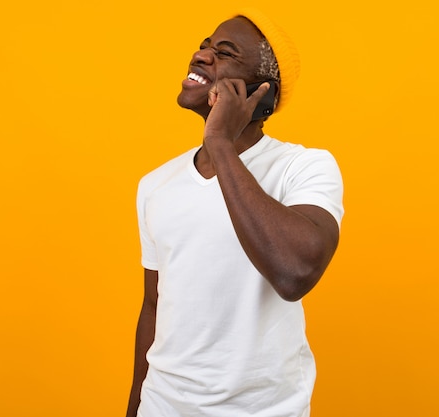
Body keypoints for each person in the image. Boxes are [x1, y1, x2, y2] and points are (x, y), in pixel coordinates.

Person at [126, 9, 344, 417]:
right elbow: (154, 306)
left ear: (261, 93)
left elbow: (294, 271)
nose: (201, 55)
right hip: (163, 406)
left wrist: (220, 143)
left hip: (263, 410)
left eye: (224, 53)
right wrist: (135, 407)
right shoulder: (154, 185)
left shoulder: (304, 167)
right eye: (205, 44)